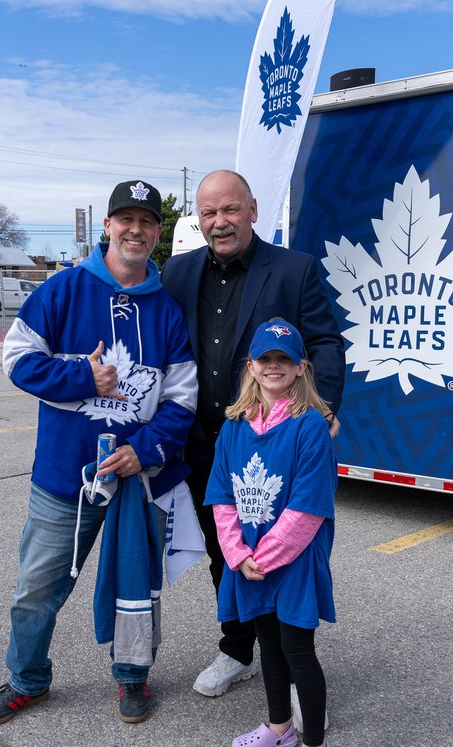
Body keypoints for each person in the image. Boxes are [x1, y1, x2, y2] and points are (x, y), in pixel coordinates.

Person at [0, 179, 197, 727]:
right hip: (63, 479)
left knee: (136, 584)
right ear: (107, 225)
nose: (136, 230)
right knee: (37, 589)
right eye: (126, 219)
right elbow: (17, 360)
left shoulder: (166, 310)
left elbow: (182, 397)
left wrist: (143, 450)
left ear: (158, 232)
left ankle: (132, 679)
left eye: (147, 222)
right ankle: (27, 680)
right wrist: (82, 375)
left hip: (136, 479)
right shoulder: (62, 290)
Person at [161, 169, 344, 697]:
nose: (220, 222)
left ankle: (289, 660)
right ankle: (237, 649)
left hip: (274, 445)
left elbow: (326, 342)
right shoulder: (176, 272)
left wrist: (324, 407)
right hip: (206, 446)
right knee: (228, 550)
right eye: (210, 213)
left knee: (288, 547)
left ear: (254, 210)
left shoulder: (295, 270)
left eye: (231, 210)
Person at [206, 319, 338, 747]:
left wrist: (266, 554)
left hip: (292, 562)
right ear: (252, 367)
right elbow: (221, 495)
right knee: (267, 644)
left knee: (298, 650)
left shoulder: (309, 428)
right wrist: (237, 553)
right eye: (266, 359)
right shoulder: (235, 427)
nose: (274, 366)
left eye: (284, 359)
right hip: (250, 562)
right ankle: (280, 727)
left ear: (301, 367)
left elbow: (308, 505)